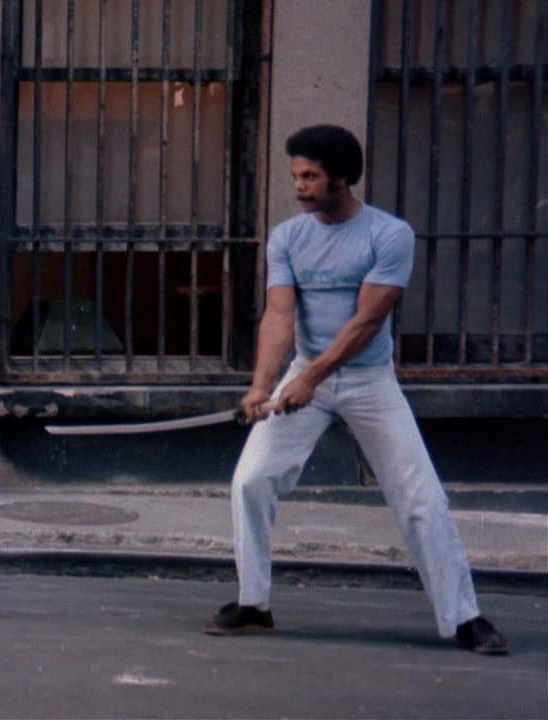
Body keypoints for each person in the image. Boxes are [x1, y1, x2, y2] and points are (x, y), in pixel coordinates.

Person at [202, 125, 509, 655]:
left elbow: (367, 323)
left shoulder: (389, 235)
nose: (299, 187)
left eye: (310, 176)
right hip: (304, 374)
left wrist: (310, 380)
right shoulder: (288, 238)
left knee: (420, 497)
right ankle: (254, 605)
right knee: (251, 480)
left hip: (368, 381)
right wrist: (261, 386)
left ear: (341, 178)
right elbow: (279, 315)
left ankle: (464, 617)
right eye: (296, 176)